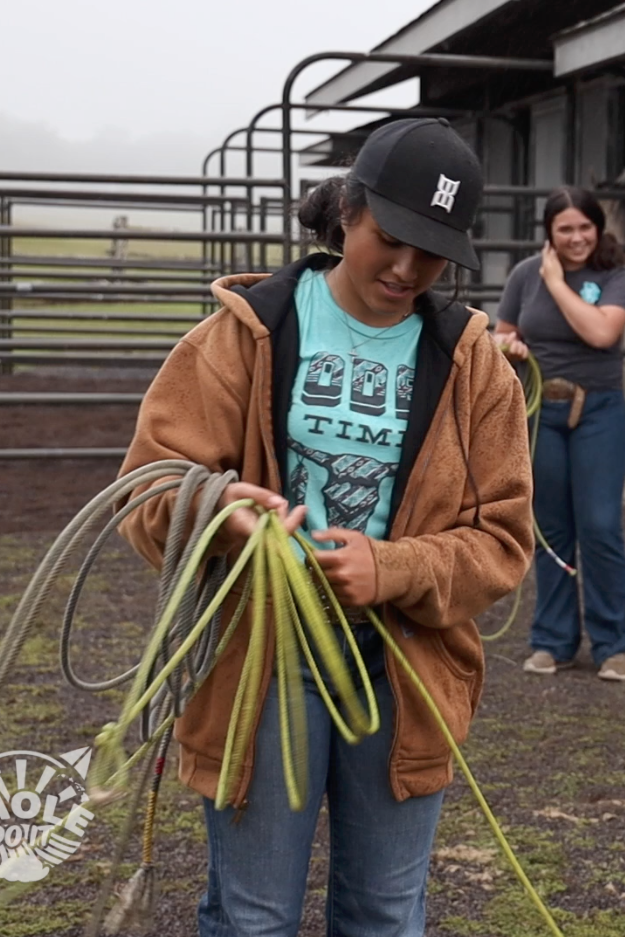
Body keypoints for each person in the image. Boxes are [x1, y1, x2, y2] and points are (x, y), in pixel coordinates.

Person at [117, 117, 534, 937]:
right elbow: (148, 492)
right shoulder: (242, 336)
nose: (409, 268)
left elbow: (503, 540)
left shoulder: (476, 365)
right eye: (392, 238)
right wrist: (225, 514)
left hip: (401, 661)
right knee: (255, 914)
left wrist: (397, 567)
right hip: (261, 657)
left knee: (384, 913)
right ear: (348, 210)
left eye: (434, 251)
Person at [494, 186, 625, 682]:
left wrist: (557, 283)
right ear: (550, 233)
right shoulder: (522, 276)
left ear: (597, 229)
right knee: (552, 531)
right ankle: (552, 641)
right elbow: (503, 330)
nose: (576, 237)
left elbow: (602, 333)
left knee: (599, 526)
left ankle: (612, 643)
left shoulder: (615, 276)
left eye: (584, 227)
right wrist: (508, 345)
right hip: (542, 413)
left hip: (598, 412)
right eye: (565, 229)